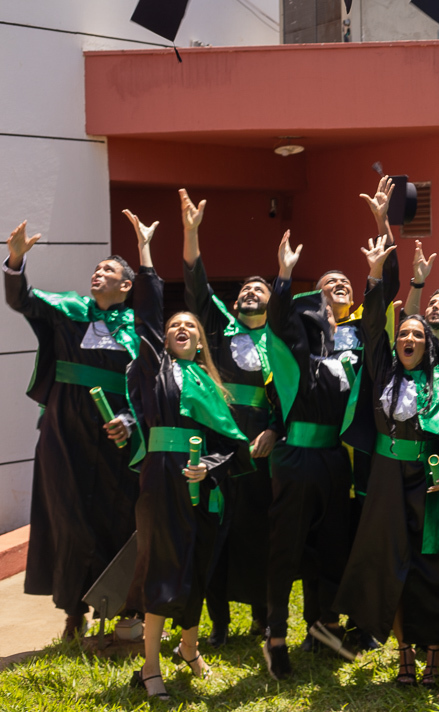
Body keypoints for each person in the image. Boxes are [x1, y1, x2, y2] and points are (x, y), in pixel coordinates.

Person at [120, 210, 248, 702]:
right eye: (174, 326)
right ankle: (150, 666)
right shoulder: (157, 370)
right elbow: (148, 315)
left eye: (189, 327)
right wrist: (147, 254)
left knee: (200, 564)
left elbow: (231, 447)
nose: (180, 330)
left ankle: (188, 649)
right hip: (161, 481)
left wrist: (208, 467)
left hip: (206, 489)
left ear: (200, 340)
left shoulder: (213, 387)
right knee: (162, 566)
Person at [333, 236, 439, 687]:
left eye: (417, 335)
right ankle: (404, 653)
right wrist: (374, 276)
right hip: (387, 480)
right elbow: (373, 326)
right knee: (391, 565)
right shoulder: (384, 372)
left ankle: (433, 657)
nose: (409, 338)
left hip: (428, 482)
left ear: (429, 346)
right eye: (404, 334)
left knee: (433, 567)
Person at [261, 203, 385, 677]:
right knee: (287, 548)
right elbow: (279, 324)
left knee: (331, 545)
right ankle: (276, 635)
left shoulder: (344, 362)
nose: (332, 320)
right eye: (323, 318)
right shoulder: (297, 362)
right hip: (296, 460)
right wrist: (284, 276)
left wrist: (374, 275)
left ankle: (324, 626)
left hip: (335, 462)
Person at [4, 220, 141, 639]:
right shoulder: (67, 310)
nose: (98, 273)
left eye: (108, 271)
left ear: (127, 285)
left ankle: (125, 608)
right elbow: (22, 299)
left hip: (115, 440)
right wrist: (15, 259)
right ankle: (74, 611)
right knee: (69, 521)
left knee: (119, 519)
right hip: (64, 433)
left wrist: (130, 420)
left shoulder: (140, 330)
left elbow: (149, 388)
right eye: (95, 269)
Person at [179, 189, 282, 645]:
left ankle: (261, 616)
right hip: (218, 448)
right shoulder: (219, 328)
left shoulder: (280, 344)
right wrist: (191, 233)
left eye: (258, 289)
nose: (248, 293)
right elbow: (197, 285)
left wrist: (274, 432)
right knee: (215, 532)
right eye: (244, 288)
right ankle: (217, 624)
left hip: (259, 453)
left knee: (257, 534)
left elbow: (289, 399)